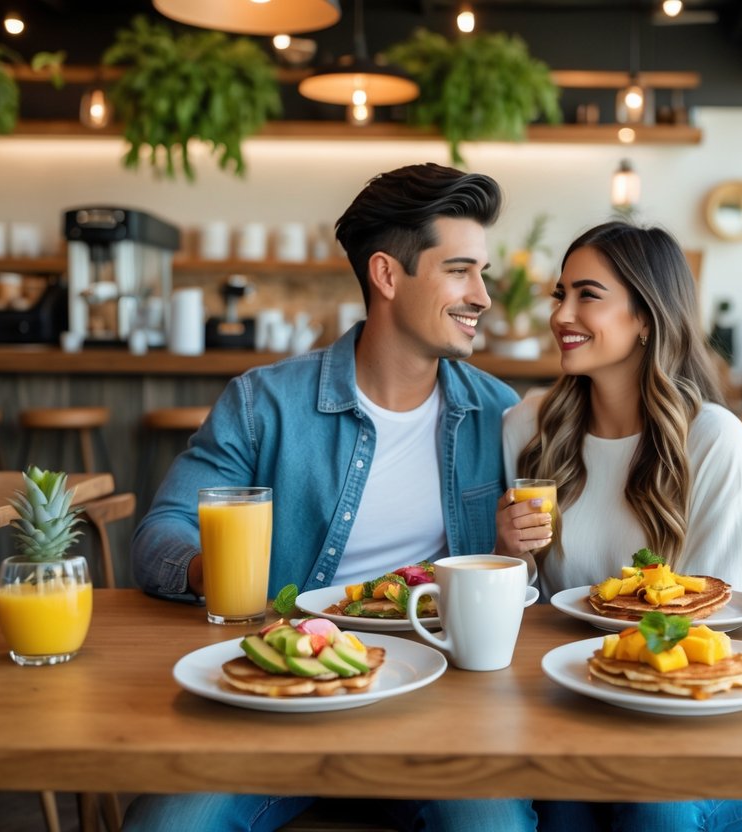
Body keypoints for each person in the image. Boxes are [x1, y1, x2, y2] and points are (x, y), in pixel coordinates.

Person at [126, 163, 533, 832]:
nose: (482, 296)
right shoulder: (265, 403)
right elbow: (163, 530)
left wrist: (512, 552)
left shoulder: (500, 415)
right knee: (167, 826)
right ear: (386, 275)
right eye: (460, 271)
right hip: (286, 687)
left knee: (494, 827)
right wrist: (217, 571)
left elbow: (522, 579)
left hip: (437, 701)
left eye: (481, 273)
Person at [496, 220, 742, 832]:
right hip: (572, 713)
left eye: (587, 295)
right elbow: (521, 612)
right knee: (560, 806)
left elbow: (728, 629)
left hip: (698, 726)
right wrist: (507, 555)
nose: (562, 313)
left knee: (655, 809)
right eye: (559, 295)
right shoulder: (527, 429)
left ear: (646, 317)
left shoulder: (712, 439)